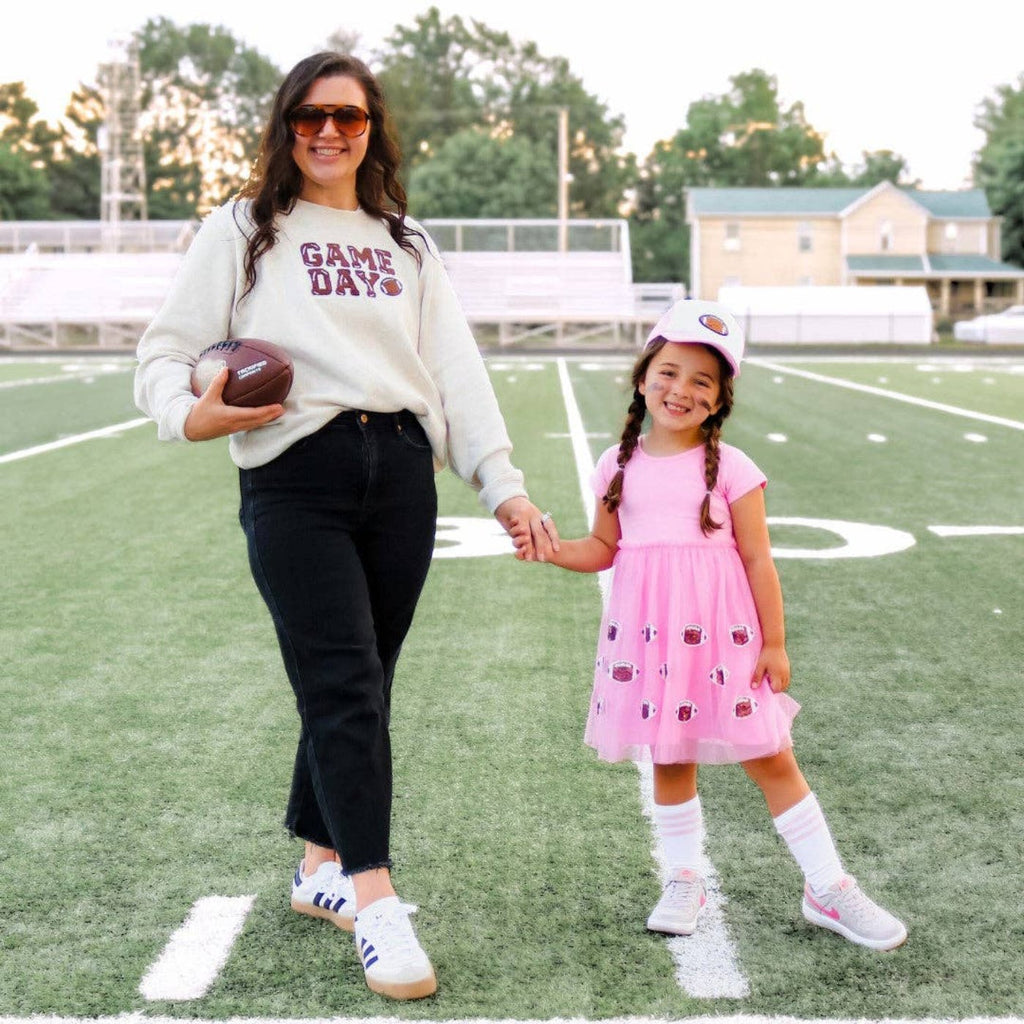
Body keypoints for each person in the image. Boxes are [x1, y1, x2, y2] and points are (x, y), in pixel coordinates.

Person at [134, 51, 556, 1001]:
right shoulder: (243, 229)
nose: (330, 133)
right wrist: (189, 413)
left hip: (402, 473)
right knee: (344, 684)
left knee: (365, 677)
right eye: (310, 117)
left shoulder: (408, 244)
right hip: (297, 474)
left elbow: (458, 373)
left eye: (350, 118)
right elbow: (163, 353)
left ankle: (319, 863)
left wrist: (504, 485)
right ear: (286, 126)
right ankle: (376, 903)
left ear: (374, 131)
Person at [512, 299, 906, 951]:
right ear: (643, 376)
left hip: (728, 643)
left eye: (702, 381)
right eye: (669, 372)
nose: (681, 390)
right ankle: (683, 877)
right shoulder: (616, 465)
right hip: (651, 642)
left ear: (720, 399)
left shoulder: (735, 470)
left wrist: (774, 641)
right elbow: (603, 549)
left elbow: (757, 558)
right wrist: (552, 549)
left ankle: (828, 887)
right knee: (671, 758)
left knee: (772, 757)